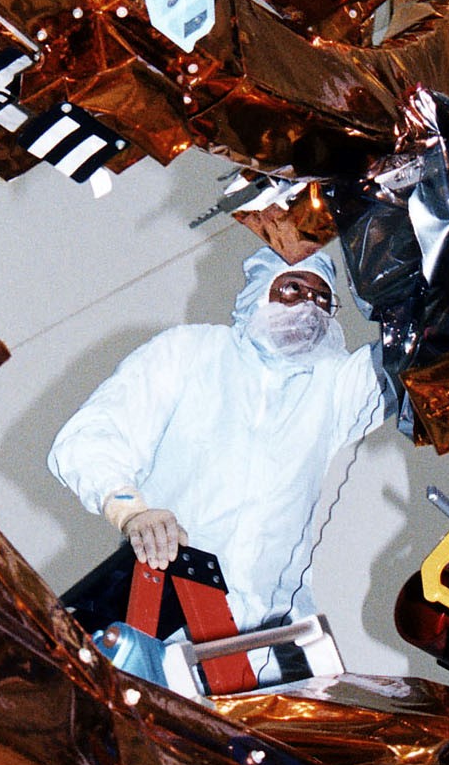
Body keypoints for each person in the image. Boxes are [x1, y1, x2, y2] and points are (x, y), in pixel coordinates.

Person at [48, 248, 390, 640]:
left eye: (322, 300)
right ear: (259, 292)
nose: (308, 309)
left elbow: (413, 358)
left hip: (271, 635)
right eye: (293, 289)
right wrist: (131, 512)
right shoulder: (191, 353)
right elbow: (91, 437)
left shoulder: (333, 385)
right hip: (171, 613)